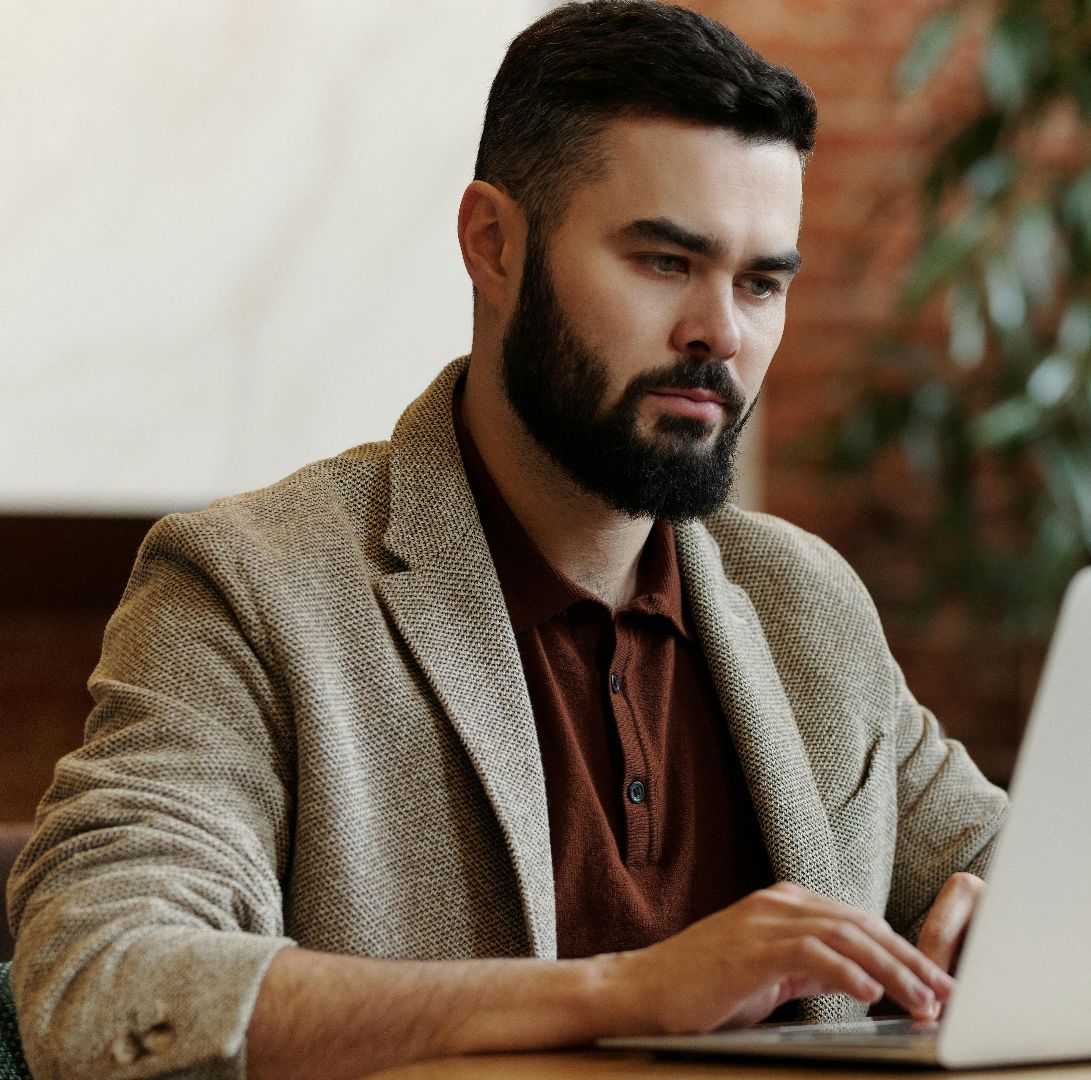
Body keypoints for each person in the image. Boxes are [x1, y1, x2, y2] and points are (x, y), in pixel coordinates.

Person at [4, 4, 1008, 1078]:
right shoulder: (252, 587)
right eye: (666, 261)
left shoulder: (806, 600)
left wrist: (1024, 920)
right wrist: (626, 991)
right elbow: (100, 981)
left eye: (762, 282)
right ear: (494, 244)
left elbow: (1031, 870)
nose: (723, 331)